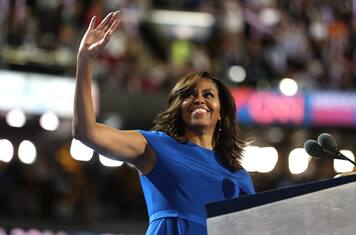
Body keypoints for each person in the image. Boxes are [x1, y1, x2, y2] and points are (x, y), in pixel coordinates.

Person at [73, 11, 255, 235]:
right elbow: (86, 132)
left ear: (221, 113)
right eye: (189, 94)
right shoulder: (154, 146)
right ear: (180, 107)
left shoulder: (238, 175)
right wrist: (85, 60)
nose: (199, 99)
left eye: (208, 95)